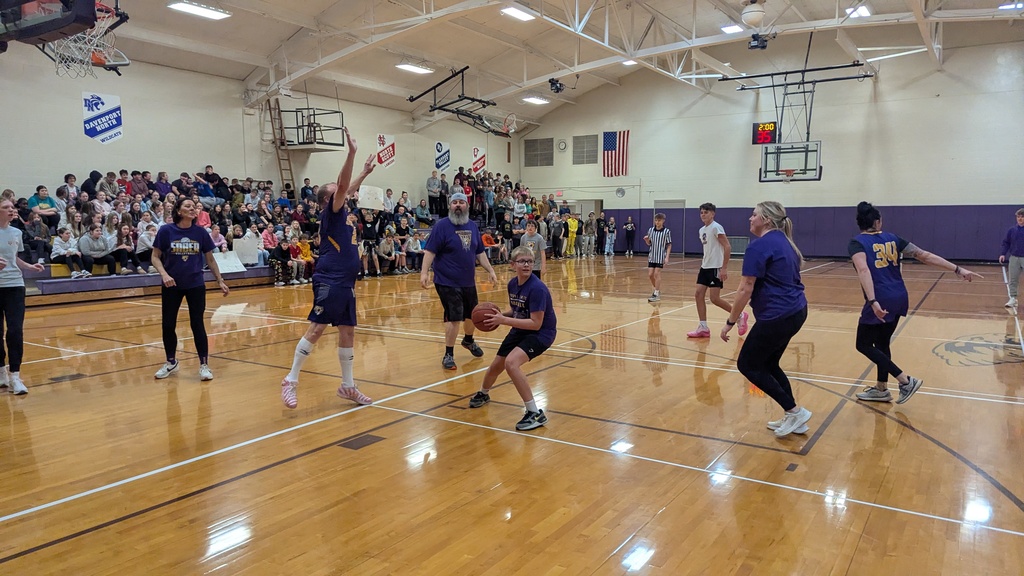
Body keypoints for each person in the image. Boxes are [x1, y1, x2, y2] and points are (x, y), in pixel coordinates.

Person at [281, 129, 376, 409]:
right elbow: (344, 185)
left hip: (346, 282)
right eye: (339, 191)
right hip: (330, 279)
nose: (345, 192)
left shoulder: (343, 210)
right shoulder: (331, 212)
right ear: (327, 200)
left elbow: (348, 186)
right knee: (317, 328)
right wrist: (352, 154)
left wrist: (365, 173)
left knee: (347, 331)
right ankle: (290, 379)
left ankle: (347, 386)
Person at [850, 201, 981, 404]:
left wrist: (873, 301)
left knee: (863, 344)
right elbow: (925, 256)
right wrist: (958, 269)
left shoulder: (857, 243)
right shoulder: (893, 239)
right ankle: (881, 389)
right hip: (900, 296)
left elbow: (863, 270)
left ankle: (905, 381)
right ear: (877, 222)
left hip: (880, 298)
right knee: (882, 343)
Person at [720, 201, 811, 438]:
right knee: (769, 364)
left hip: (778, 315)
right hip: (796, 311)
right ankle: (794, 417)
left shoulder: (759, 247)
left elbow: (745, 288)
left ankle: (795, 411)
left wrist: (731, 321)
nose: (750, 219)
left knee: (747, 364)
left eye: (754, 215)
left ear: (766, 220)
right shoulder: (785, 242)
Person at [468, 246, 557, 430]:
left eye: (530, 261)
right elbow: (518, 312)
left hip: (541, 333)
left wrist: (504, 320)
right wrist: (497, 317)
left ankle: (534, 413)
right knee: (496, 365)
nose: (526, 265)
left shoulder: (537, 288)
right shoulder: (512, 284)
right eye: (522, 261)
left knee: (511, 363)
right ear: (512, 264)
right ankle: (484, 393)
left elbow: (535, 323)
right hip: (520, 328)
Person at [151, 197, 230, 381]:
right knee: (168, 324)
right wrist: (164, 274)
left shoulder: (200, 232)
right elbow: (155, 257)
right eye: (188, 206)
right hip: (171, 285)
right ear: (179, 211)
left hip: (195, 284)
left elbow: (210, 259)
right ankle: (171, 362)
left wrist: (220, 280)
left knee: (197, 324)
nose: (192, 209)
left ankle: (204, 365)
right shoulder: (166, 231)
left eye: (194, 206)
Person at [420, 191, 498, 370]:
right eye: (454, 202)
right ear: (449, 205)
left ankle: (468, 340)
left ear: (466, 206)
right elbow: (430, 251)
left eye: (461, 203)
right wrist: (424, 272)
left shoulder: (472, 226)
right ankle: (448, 353)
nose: (457, 205)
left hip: (467, 281)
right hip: (446, 281)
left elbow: (479, 252)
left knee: (473, 315)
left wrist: (491, 270)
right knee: (454, 317)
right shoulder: (441, 227)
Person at [0, 199, 45, 395]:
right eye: (6, 207)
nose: (11, 210)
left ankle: (15, 376)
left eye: (12, 207)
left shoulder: (16, 232)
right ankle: (1, 372)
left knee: (15, 330)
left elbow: (14, 259)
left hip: (14, 285)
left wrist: (29, 266)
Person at [688, 203, 748, 338]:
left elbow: (727, 246)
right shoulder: (701, 230)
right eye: (701, 212)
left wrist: (724, 267)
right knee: (698, 294)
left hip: (716, 267)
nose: (703, 214)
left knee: (714, 298)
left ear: (713, 214)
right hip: (705, 267)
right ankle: (703, 327)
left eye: (706, 212)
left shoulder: (716, 227)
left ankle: (739, 315)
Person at [643, 213, 672, 302]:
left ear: (663, 221)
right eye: (656, 220)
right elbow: (649, 243)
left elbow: (669, 245)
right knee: (650, 274)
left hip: (660, 256)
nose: (657, 222)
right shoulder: (651, 230)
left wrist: (667, 257)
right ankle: (657, 290)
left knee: (656, 274)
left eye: (659, 220)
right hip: (652, 255)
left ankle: (656, 293)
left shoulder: (666, 231)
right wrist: (646, 240)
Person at [1000, 208, 1024, 309]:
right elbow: (1006, 243)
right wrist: (1003, 254)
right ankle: (1013, 298)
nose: (1020, 219)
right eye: (1018, 217)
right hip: (1014, 258)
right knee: (1013, 279)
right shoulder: (1012, 230)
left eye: (1022, 217)